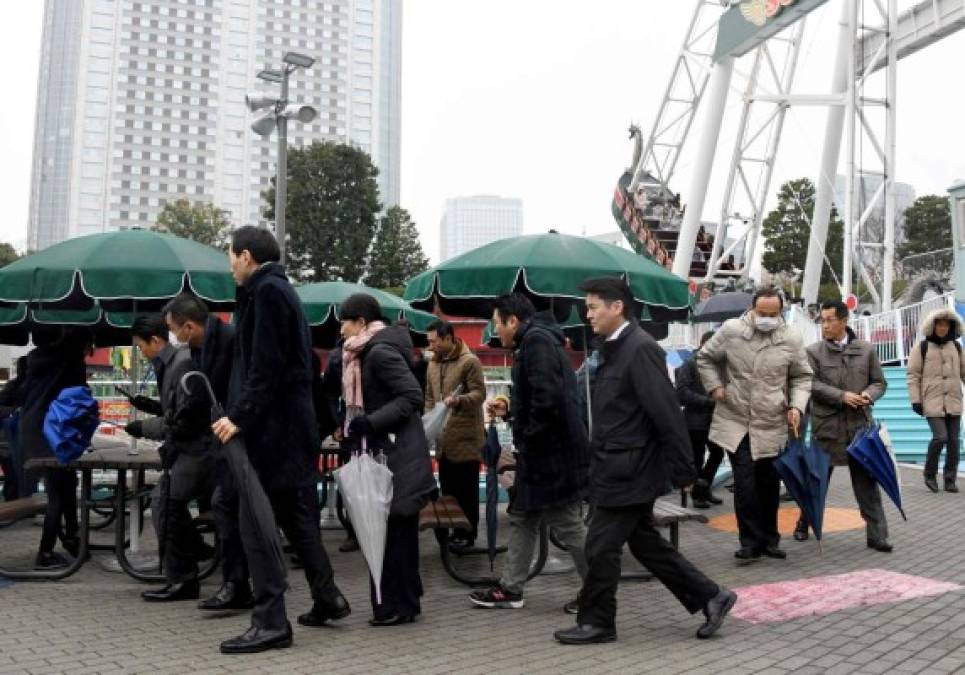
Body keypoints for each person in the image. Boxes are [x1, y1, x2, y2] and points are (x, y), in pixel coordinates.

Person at [554, 278, 735, 646]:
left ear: (616, 307)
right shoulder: (613, 349)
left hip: (629, 470)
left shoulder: (640, 349)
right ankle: (711, 596)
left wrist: (686, 469)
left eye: (592, 307)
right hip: (613, 465)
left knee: (600, 546)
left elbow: (666, 411)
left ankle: (598, 621)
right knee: (646, 545)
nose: (587, 314)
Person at [211, 226, 350, 654]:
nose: (229, 264)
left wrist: (239, 415)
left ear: (247, 256)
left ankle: (271, 620)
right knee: (297, 519)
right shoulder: (276, 291)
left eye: (231, 256)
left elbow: (265, 366)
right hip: (290, 431)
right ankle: (327, 597)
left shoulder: (267, 294)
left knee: (253, 521)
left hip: (271, 431)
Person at [470, 293, 588, 614]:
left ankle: (598, 591)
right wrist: (510, 410)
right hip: (544, 451)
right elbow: (538, 394)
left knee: (568, 524)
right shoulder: (534, 342)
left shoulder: (536, 343)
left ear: (513, 320)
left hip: (552, 454)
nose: (497, 331)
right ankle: (511, 588)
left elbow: (546, 400)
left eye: (498, 323)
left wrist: (528, 438)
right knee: (523, 516)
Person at [338, 293, 437, 626]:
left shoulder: (378, 353)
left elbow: (411, 396)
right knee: (395, 533)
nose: (341, 329)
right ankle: (402, 603)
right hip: (393, 454)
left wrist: (371, 421)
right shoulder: (367, 353)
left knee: (393, 533)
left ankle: (397, 606)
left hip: (398, 456)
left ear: (362, 322)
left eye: (345, 321)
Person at [696, 286, 812, 563]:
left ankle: (770, 540)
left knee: (769, 486)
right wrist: (715, 388)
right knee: (746, 484)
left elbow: (802, 376)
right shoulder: (732, 330)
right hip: (737, 420)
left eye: (773, 314)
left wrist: (796, 405)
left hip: (773, 421)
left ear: (781, 312)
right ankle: (749, 542)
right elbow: (705, 357)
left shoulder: (791, 337)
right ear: (752, 308)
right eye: (762, 313)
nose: (767, 319)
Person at [162, 292, 254, 610]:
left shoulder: (226, 341)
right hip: (218, 440)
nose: (173, 337)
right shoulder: (202, 347)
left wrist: (233, 422)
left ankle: (238, 584)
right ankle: (234, 582)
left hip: (231, 439)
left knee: (226, 507)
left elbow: (237, 389)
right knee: (223, 506)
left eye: (174, 330)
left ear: (189, 326)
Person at [125, 315, 214, 601]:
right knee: (164, 504)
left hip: (194, 450)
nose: (141, 352)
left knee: (165, 505)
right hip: (189, 449)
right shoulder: (171, 363)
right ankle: (187, 566)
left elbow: (181, 419)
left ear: (156, 340)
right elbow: (174, 409)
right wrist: (150, 406)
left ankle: (184, 577)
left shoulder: (180, 363)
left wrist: (142, 428)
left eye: (141, 347)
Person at [799, 300, 891, 551]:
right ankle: (804, 522)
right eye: (822, 320)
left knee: (867, 485)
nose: (825, 325)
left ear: (844, 321)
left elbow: (879, 383)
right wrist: (842, 396)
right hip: (827, 428)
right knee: (817, 481)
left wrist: (868, 395)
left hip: (859, 429)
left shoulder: (866, 349)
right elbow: (811, 384)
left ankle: (877, 535)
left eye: (830, 320)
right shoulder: (813, 351)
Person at [19, 327, 91, 569]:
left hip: (34, 429)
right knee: (58, 493)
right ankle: (45, 553)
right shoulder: (70, 361)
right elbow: (81, 397)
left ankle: (71, 538)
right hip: (54, 432)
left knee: (66, 485)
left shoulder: (35, 360)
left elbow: (21, 394)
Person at [424, 319, 486, 549]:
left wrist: (459, 400)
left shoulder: (470, 362)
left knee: (467, 490)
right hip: (443, 439)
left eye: (434, 341)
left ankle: (467, 535)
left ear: (448, 338)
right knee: (448, 488)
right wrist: (430, 418)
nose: (430, 346)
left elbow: (479, 394)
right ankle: (454, 531)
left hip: (466, 438)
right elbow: (429, 396)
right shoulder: (432, 364)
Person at [907, 307, 965, 494]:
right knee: (941, 437)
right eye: (939, 324)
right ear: (932, 326)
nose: (942, 328)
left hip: (954, 401)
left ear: (951, 326)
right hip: (931, 401)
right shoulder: (921, 347)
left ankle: (950, 480)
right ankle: (929, 474)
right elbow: (913, 375)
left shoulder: (956, 347)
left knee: (954, 442)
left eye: (946, 324)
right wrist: (916, 400)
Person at [675, 331, 724, 509]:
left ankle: (704, 488)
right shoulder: (690, 364)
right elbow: (681, 392)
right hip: (694, 421)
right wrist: (707, 402)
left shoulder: (718, 365)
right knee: (697, 458)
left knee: (717, 453)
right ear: (703, 343)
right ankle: (697, 494)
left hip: (714, 421)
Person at [0, 356, 29, 501]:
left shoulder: (13, 386)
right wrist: (15, 411)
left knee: (14, 479)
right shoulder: (14, 387)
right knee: (15, 478)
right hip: (11, 441)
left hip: (13, 442)